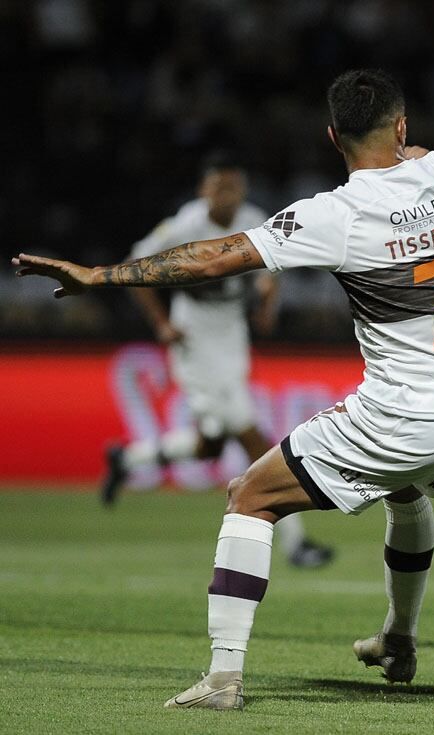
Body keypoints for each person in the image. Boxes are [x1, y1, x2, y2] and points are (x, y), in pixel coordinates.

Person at [13, 14, 434, 710]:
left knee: (250, 494)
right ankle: (398, 636)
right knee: (407, 490)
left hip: (406, 414)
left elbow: (212, 255)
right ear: (401, 126)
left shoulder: (335, 213)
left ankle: (223, 677)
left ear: (333, 138)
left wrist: (100, 275)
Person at [102, 152, 334, 569]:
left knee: (210, 445)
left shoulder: (255, 218)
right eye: (218, 187)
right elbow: (134, 266)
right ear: (203, 190)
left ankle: (129, 459)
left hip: (231, 336)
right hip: (194, 339)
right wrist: (160, 323)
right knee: (253, 438)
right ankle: (296, 543)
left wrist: (266, 308)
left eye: (232, 187)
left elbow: (272, 270)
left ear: (242, 190)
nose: (226, 195)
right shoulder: (185, 225)